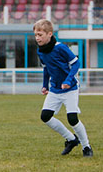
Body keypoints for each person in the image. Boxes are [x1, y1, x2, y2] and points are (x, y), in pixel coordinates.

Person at [33, 19, 93, 157]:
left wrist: (67, 80)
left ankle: (86, 147)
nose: (37, 38)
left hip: (70, 88)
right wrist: (44, 85)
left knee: (72, 118)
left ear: (49, 34)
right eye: (36, 35)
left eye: (40, 35)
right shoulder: (40, 51)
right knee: (45, 116)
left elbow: (76, 64)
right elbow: (46, 69)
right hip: (55, 89)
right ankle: (71, 139)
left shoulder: (60, 48)